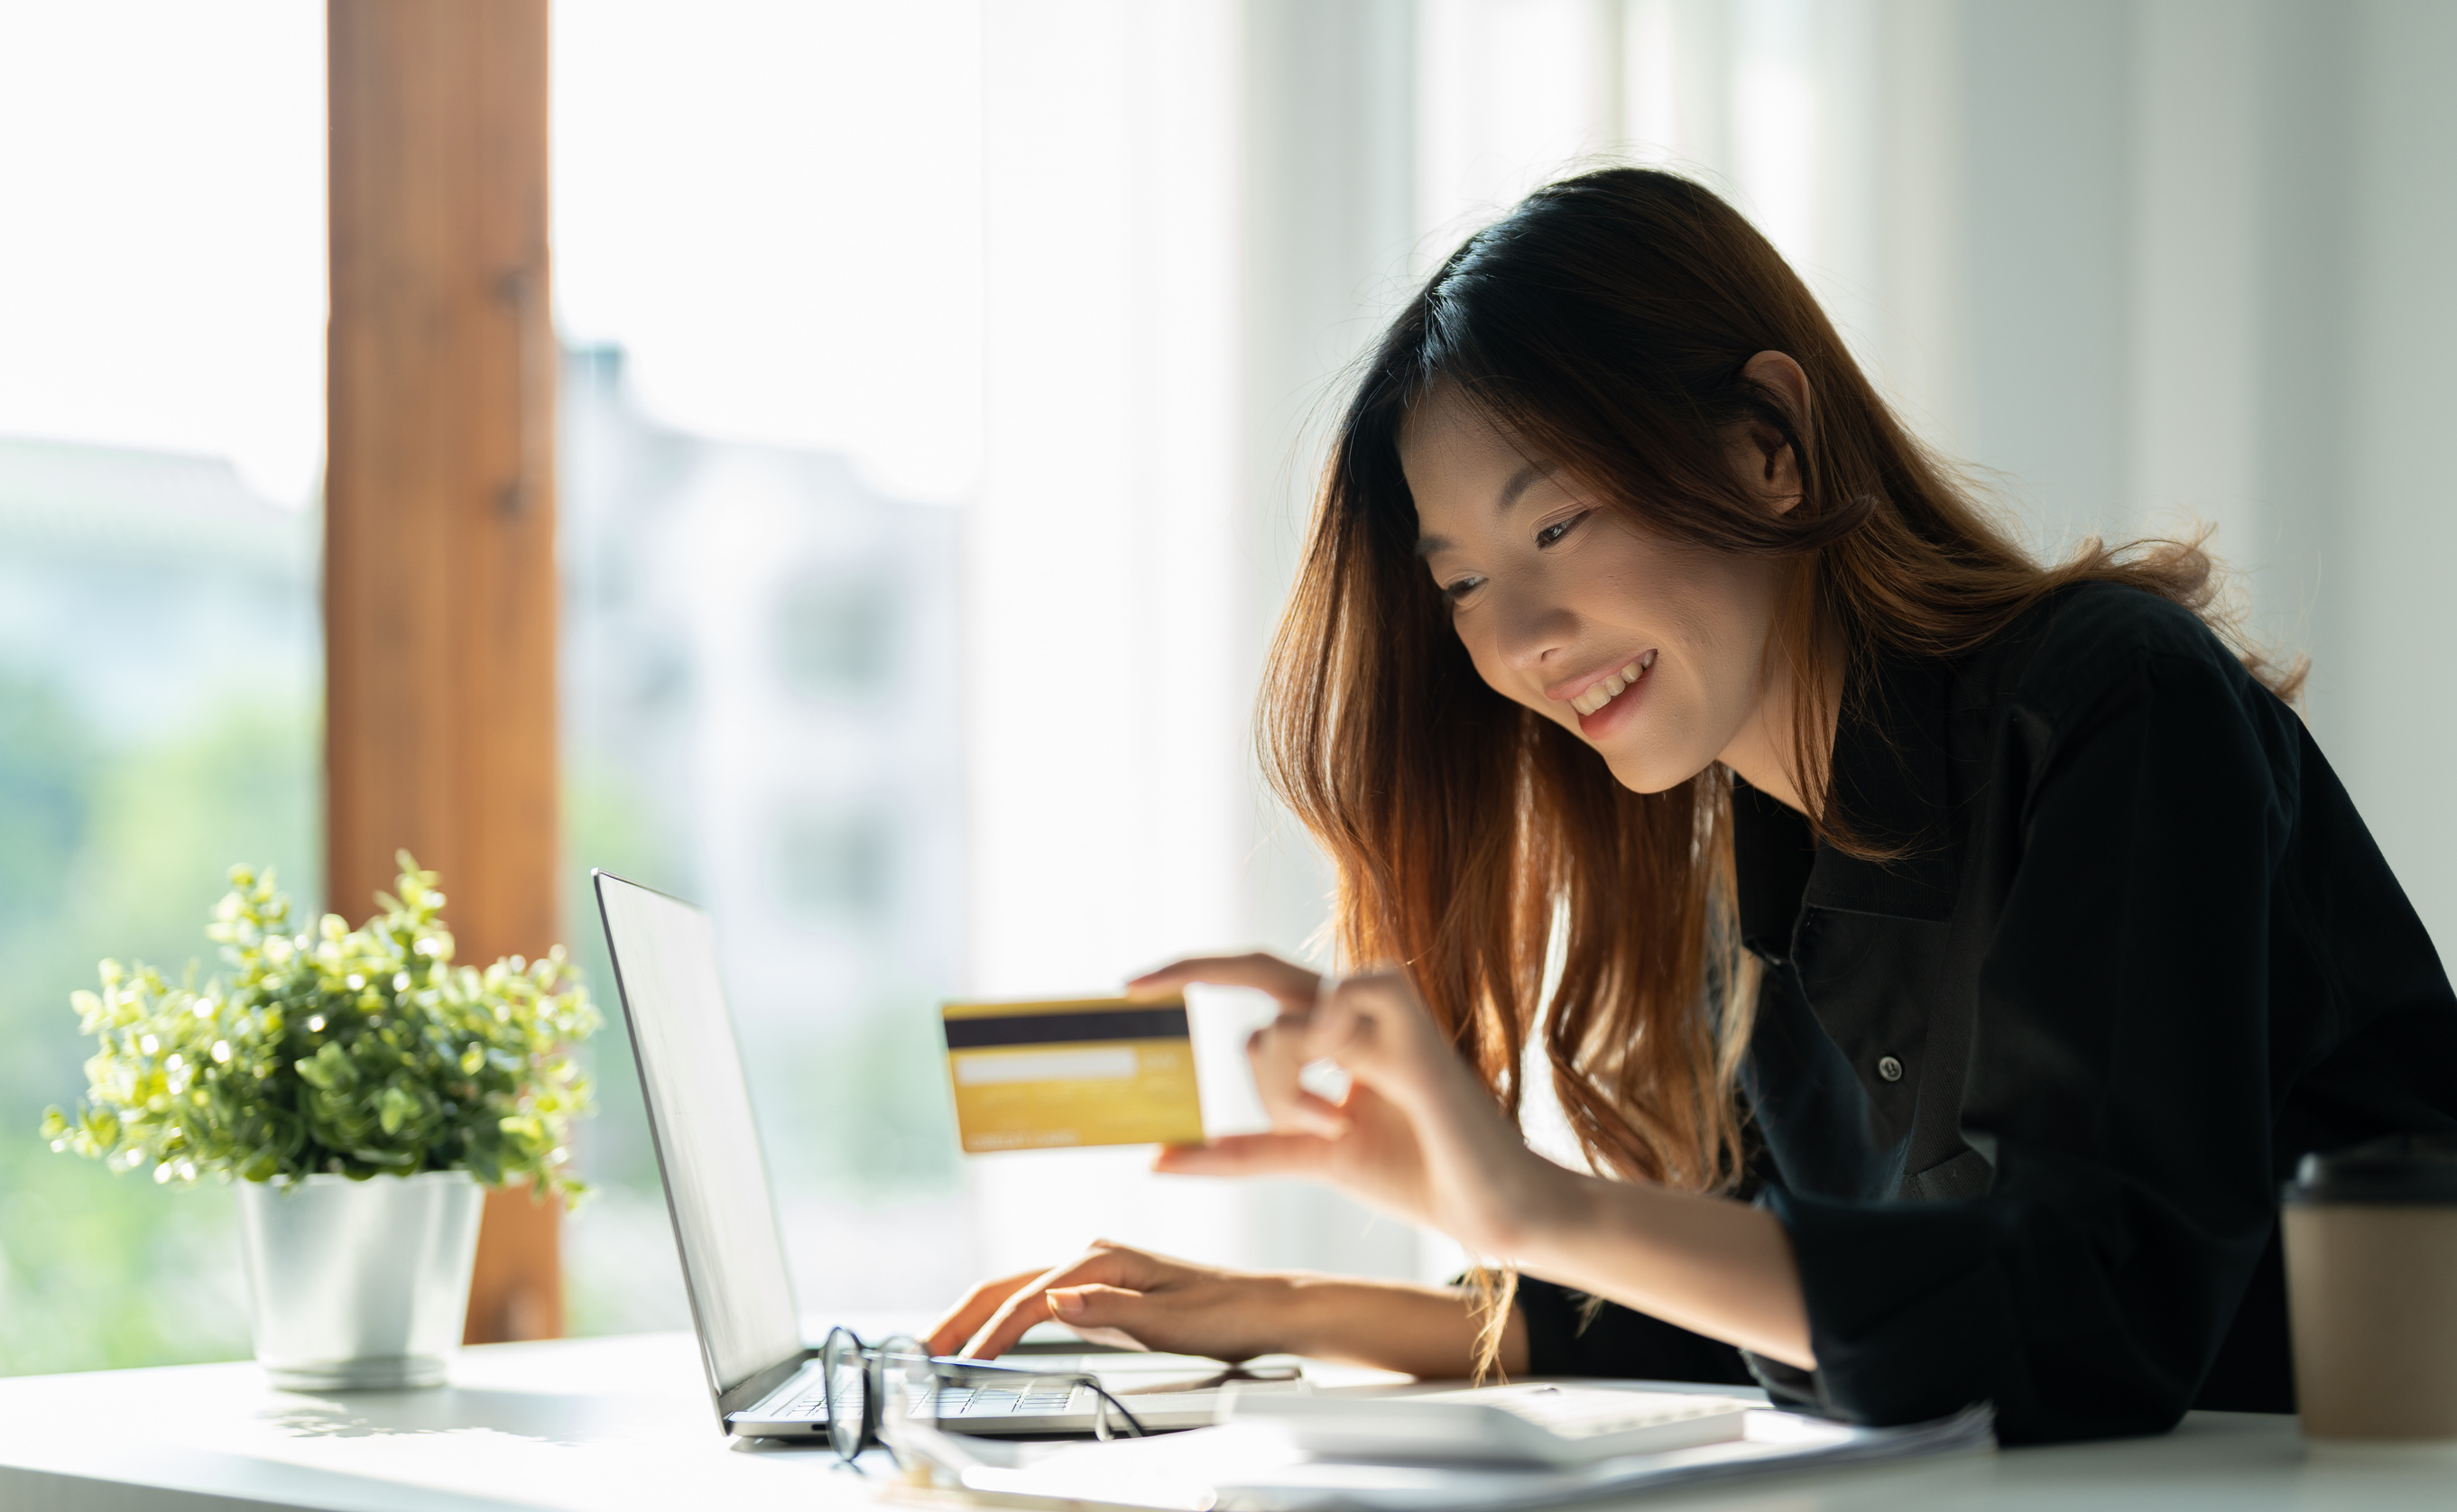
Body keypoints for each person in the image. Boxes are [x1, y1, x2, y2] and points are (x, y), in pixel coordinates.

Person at [924, 168, 2457, 1444]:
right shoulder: (1745, 860)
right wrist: (1290, 1311)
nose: (1521, 641)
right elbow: (1757, 1306)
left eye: (1556, 526)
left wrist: (1529, 1208)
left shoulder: (2115, 703)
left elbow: (2092, 1316)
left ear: (1770, 446)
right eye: (1462, 587)